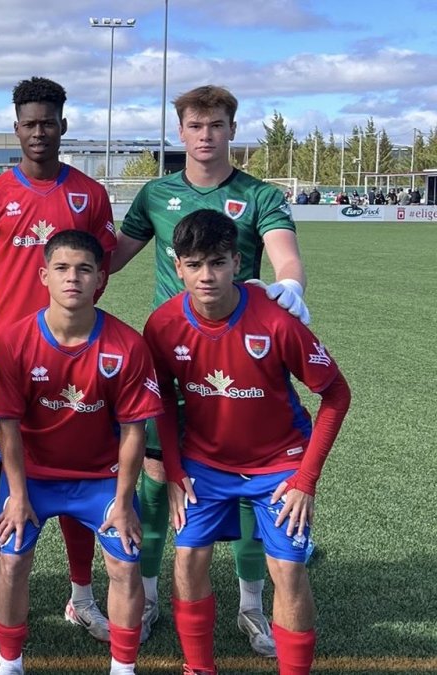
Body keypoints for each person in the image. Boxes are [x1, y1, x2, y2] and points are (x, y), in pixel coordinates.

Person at [111, 84, 311, 651]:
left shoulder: (259, 194)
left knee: (252, 490)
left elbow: (283, 251)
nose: (206, 135)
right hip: (170, 364)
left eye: (217, 125)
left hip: (240, 366)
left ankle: (251, 607)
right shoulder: (154, 193)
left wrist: (290, 281)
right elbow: (113, 259)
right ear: (181, 132)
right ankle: (147, 597)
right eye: (196, 126)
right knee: (158, 489)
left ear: (231, 129)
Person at [143, 209, 350, 675]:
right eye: (194, 264)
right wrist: (174, 473)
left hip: (280, 466)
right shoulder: (161, 326)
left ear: (238, 262)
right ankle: (199, 668)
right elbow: (160, 406)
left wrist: (305, 479)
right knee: (189, 557)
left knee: (289, 570)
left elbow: (336, 393)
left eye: (217, 262)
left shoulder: (277, 321)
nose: (206, 276)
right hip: (204, 465)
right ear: (178, 267)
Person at [0, 76, 118, 641]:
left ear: (62, 125)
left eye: (48, 122)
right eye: (29, 123)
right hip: (8, 358)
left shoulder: (89, 194)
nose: (39, 132)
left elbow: (102, 264)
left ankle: (82, 597)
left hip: (76, 355)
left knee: (78, 468)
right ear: (17, 127)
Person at [0, 230, 161, 675]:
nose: (73, 279)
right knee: (10, 558)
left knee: (125, 563)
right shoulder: (14, 342)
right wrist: (18, 494)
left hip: (100, 478)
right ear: (44, 275)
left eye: (84, 269)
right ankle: (10, 663)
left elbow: (134, 431)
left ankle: (123, 668)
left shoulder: (126, 345)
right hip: (35, 477)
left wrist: (124, 502)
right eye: (62, 269)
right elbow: (6, 426)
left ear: (100, 279)